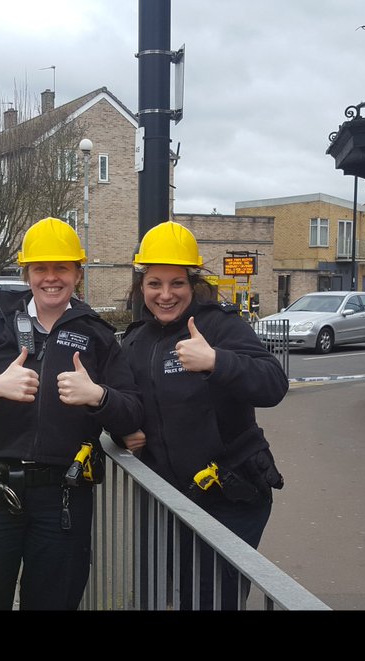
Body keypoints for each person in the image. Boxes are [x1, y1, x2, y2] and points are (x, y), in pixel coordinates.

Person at [0, 217, 143, 611]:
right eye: (41, 268)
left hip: (62, 496)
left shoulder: (97, 334)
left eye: (61, 268)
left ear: (78, 273)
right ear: (26, 273)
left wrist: (97, 395)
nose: (51, 278)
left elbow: (131, 410)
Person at [117, 220, 288, 610]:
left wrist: (216, 361)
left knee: (214, 597)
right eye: (154, 283)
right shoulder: (136, 340)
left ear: (192, 283)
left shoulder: (219, 325)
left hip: (232, 496)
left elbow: (273, 384)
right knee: (183, 589)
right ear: (141, 286)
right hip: (175, 499)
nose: (165, 294)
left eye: (176, 283)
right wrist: (122, 428)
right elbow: (128, 400)